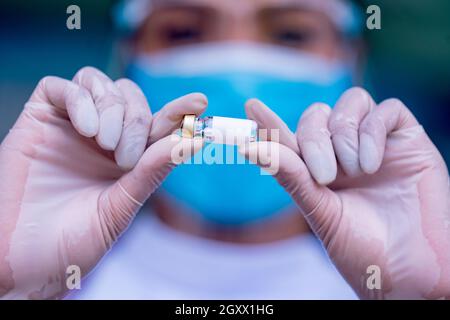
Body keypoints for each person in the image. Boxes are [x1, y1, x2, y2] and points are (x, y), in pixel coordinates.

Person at [0, 0, 449, 300]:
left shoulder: (409, 274)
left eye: (291, 34)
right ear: (125, 56)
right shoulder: (47, 276)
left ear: (354, 60)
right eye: (182, 31)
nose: (238, 71)